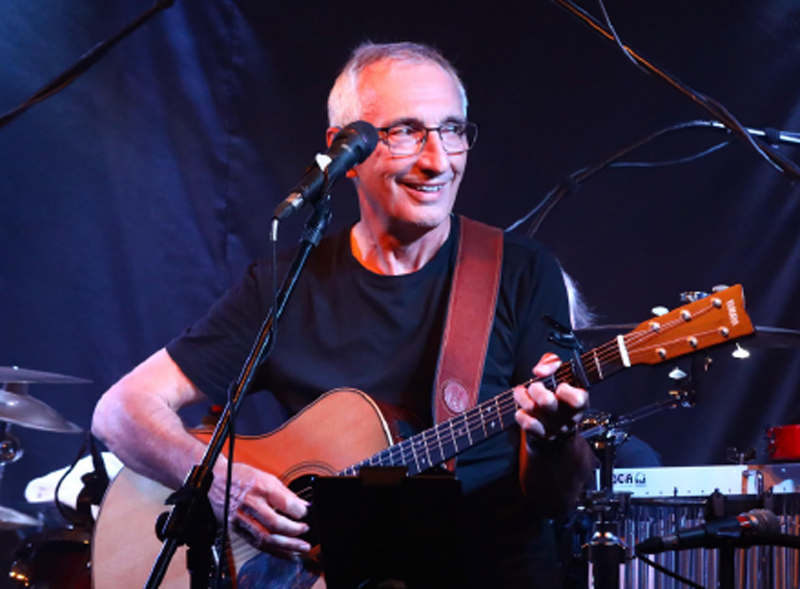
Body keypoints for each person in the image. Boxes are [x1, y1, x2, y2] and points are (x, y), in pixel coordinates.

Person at [92, 41, 594, 588]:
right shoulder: (287, 282)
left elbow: (559, 497)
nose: (437, 160)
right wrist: (220, 486)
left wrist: (554, 440)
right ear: (344, 151)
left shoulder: (519, 273)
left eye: (452, 130)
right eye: (406, 131)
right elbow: (119, 411)